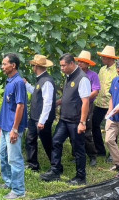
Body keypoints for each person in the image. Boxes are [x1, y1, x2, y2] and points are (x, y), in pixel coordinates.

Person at [40, 54, 91, 185]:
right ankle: (55, 171)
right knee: (56, 141)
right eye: (61, 65)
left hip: (76, 121)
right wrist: (59, 102)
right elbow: (71, 96)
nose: (61, 68)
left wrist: (82, 122)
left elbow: (85, 102)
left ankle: (81, 177)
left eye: (63, 65)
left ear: (72, 64)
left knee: (78, 148)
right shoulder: (69, 77)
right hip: (64, 119)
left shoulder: (82, 79)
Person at [0, 53, 28, 200]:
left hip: (13, 128)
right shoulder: (9, 81)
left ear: (13, 65)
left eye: (5, 64)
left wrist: (15, 129)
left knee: (14, 159)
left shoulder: (18, 83)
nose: (2, 67)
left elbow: (20, 106)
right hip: (5, 126)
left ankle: (19, 190)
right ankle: (9, 182)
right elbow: (6, 106)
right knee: (2, 155)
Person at [24, 54, 56, 171]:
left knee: (47, 142)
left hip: (42, 119)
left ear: (36, 67)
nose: (32, 67)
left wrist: (42, 121)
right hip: (34, 117)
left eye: (33, 65)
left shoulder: (46, 81)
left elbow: (48, 102)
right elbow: (36, 92)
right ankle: (33, 165)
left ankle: (55, 166)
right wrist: (26, 85)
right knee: (30, 140)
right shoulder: (41, 80)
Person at [93, 46, 119, 160]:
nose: (102, 58)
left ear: (110, 58)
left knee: (112, 128)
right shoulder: (102, 69)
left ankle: (113, 154)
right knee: (94, 125)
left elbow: (117, 88)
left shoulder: (117, 71)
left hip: (110, 103)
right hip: (99, 103)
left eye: (104, 57)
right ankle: (100, 150)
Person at [75, 50, 101, 167]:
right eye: (79, 61)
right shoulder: (74, 74)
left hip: (87, 105)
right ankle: (77, 154)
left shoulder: (93, 75)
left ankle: (92, 155)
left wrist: (84, 99)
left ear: (88, 64)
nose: (80, 63)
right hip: (75, 105)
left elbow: (95, 91)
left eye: (83, 62)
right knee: (74, 130)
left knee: (87, 131)